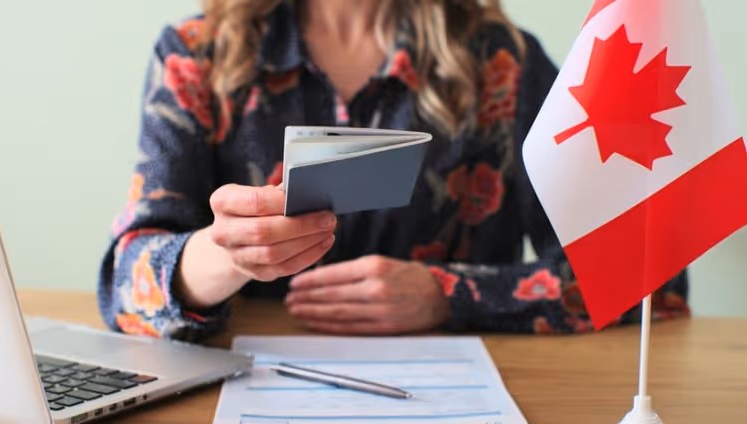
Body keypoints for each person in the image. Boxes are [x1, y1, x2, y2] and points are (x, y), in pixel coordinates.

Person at [98, 0, 689, 342]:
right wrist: (224, 256)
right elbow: (124, 286)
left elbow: (651, 283)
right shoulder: (197, 53)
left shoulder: (503, 61)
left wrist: (450, 295)